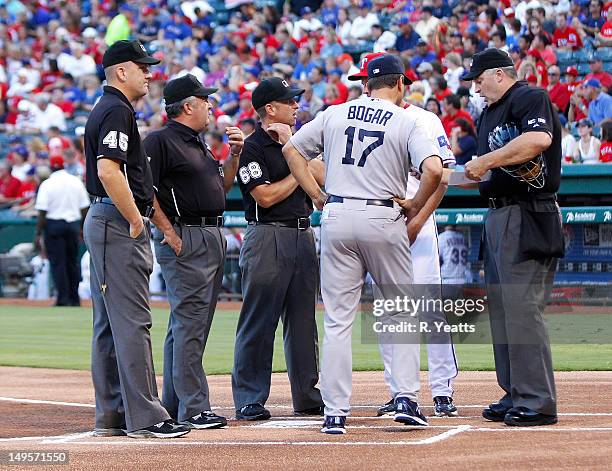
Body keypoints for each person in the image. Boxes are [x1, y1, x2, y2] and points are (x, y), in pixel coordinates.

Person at [283, 55, 444, 434]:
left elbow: (291, 149)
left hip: (337, 214)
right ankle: (405, 398)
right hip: (382, 214)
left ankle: (335, 412)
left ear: (365, 85)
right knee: (399, 312)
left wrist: (316, 195)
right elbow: (435, 169)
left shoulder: (336, 112)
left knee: (338, 319)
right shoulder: (407, 119)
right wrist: (416, 205)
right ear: (400, 84)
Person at [83, 40, 190, 439]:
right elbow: (109, 170)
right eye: (142, 67)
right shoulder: (115, 109)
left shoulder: (110, 108)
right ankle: (147, 417)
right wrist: (134, 220)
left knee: (110, 324)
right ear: (121, 72)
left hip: (104, 218)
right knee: (131, 320)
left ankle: (111, 416)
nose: (149, 73)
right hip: (115, 219)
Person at [348, 52, 459, 419]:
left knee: (430, 311)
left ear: (396, 83)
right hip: (379, 227)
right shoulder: (355, 120)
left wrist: (416, 219)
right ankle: (399, 392)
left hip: (418, 226)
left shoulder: (424, 119)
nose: (363, 88)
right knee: (387, 312)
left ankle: (442, 390)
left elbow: (442, 176)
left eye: (365, 81)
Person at [462, 48, 563, 427]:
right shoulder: (489, 112)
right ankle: (515, 391)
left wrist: (486, 162)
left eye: (478, 78)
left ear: (499, 74)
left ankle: (537, 400)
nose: (475, 86)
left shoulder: (527, 96)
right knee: (504, 311)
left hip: (528, 211)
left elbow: (538, 140)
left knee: (523, 308)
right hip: (498, 211)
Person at [143, 74, 243, 430]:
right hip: (186, 234)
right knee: (190, 325)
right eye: (205, 101)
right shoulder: (161, 141)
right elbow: (144, 190)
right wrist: (168, 231)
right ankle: (195, 407)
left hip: (209, 231)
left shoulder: (196, 142)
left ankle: (173, 402)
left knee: (185, 325)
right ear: (188, 106)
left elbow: (223, 185)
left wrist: (234, 156)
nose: (211, 106)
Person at [232, 77, 325, 421]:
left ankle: (307, 395)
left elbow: (325, 175)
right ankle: (249, 398)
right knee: (259, 320)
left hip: (303, 234)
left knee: (303, 323)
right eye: (290, 101)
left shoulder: (299, 141)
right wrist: (298, 173)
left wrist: (295, 149)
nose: (297, 105)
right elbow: (265, 196)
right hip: (267, 235)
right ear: (270, 109)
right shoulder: (253, 147)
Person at [34, 156, 89, 307]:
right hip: (72, 225)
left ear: (51, 168)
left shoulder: (47, 184)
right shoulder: (75, 181)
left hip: (54, 226)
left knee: (58, 263)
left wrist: (38, 233)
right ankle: (74, 298)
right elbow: (85, 208)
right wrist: (82, 229)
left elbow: (42, 212)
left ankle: (62, 299)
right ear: (64, 165)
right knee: (72, 262)